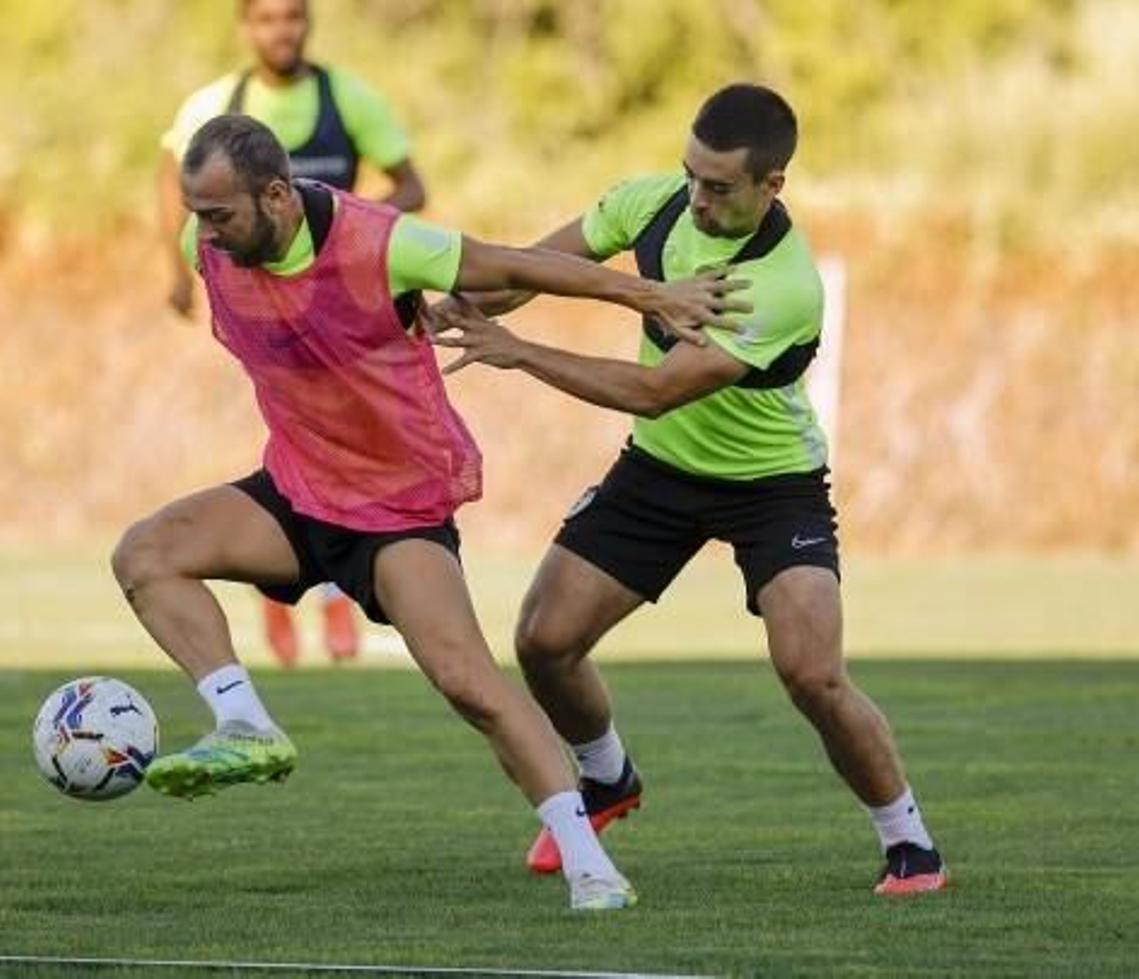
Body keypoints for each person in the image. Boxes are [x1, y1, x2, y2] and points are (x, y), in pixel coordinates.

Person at [112, 114, 748, 911]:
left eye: (218, 214)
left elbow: (520, 265)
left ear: (275, 195)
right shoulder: (203, 250)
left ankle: (592, 865)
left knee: (468, 681)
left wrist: (650, 292)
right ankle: (244, 724)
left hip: (395, 508)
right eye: (195, 212)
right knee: (146, 554)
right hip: (297, 491)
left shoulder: (384, 243)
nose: (201, 232)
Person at [428, 84, 950, 896]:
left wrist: (518, 352)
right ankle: (608, 778)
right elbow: (531, 270)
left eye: (719, 187)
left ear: (772, 185)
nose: (696, 199)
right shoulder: (653, 205)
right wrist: (447, 304)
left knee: (811, 671)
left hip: (772, 486)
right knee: (544, 639)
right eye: (691, 176)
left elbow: (652, 391)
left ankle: (910, 842)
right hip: (659, 474)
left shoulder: (780, 284)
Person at [157, 0, 427, 666]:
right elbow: (173, 177)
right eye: (268, 19)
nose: (283, 30)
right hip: (261, 309)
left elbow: (411, 186)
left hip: (340, 309)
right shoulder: (217, 103)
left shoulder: (349, 99)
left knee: (361, 436)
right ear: (245, 27)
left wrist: (348, 234)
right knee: (288, 435)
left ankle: (331, 579)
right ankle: (286, 582)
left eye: (294, 17)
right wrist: (178, 265)